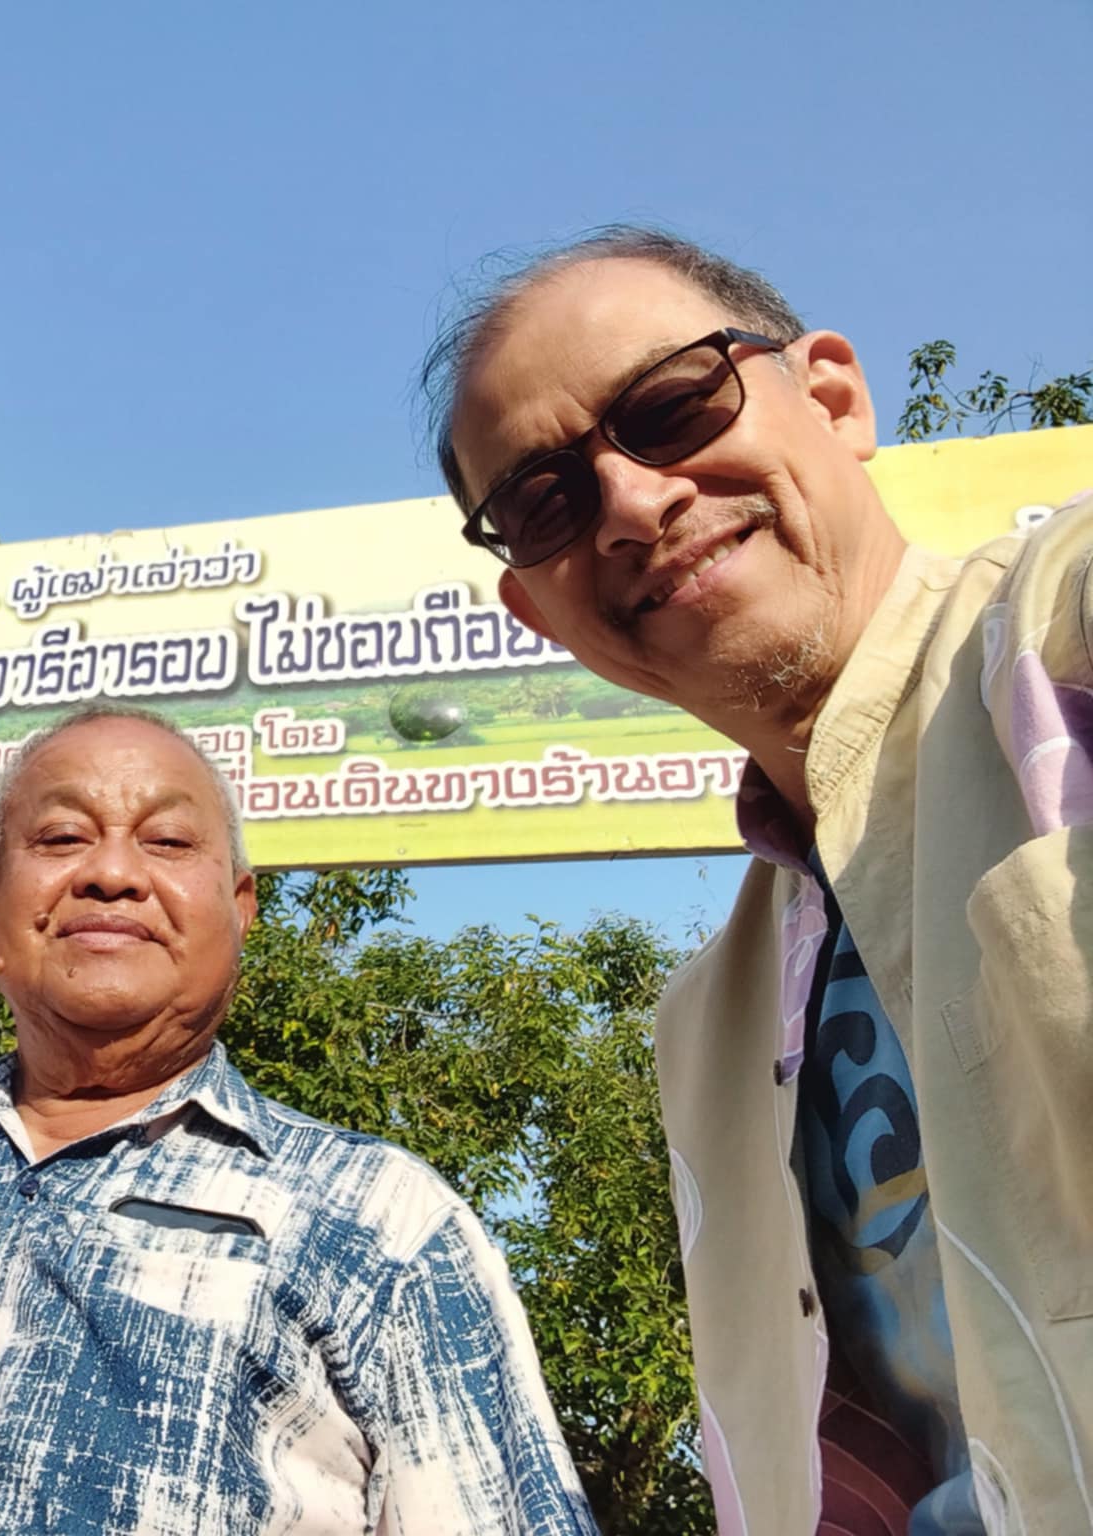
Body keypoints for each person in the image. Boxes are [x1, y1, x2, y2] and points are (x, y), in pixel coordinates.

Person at [427, 225, 1093, 1532]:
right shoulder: (707, 1022)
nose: (631, 503)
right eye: (546, 502)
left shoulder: (1055, 637)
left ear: (833, 399)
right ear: (536, 613)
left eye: (675, 405)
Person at [0, 706, 596, 1536]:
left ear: (239, 909)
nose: (111, 873)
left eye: (170, 842)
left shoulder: (384, 1225)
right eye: (62, 836)